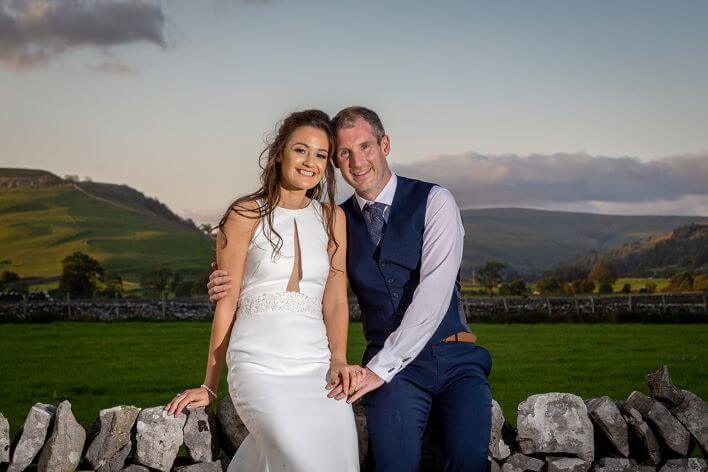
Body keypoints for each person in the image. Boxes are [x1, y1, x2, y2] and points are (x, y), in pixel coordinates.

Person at [209, 107, 493, 471]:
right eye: (343, 153)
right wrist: (224, 276)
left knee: (469, 460)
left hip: (452, 358)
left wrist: (373, 367)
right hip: (391, 373)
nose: (356, 161)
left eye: (365, 147)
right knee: (391, 465)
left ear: (384, 144)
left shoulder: (435, 201)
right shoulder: (337, 220)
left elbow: (434, 293)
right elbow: (294, 277)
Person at [165, 109, 360, 471]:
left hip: (316, 366)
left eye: (320, 155)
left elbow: (334, 300)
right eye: (301, 150)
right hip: (258, 363)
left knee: (340, 461)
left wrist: (338, 358)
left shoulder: (335, 219)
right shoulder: (245, 214)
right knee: (299, 460)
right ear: (279, 153)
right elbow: (227, 303)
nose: (310, 162)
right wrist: (208, 386)